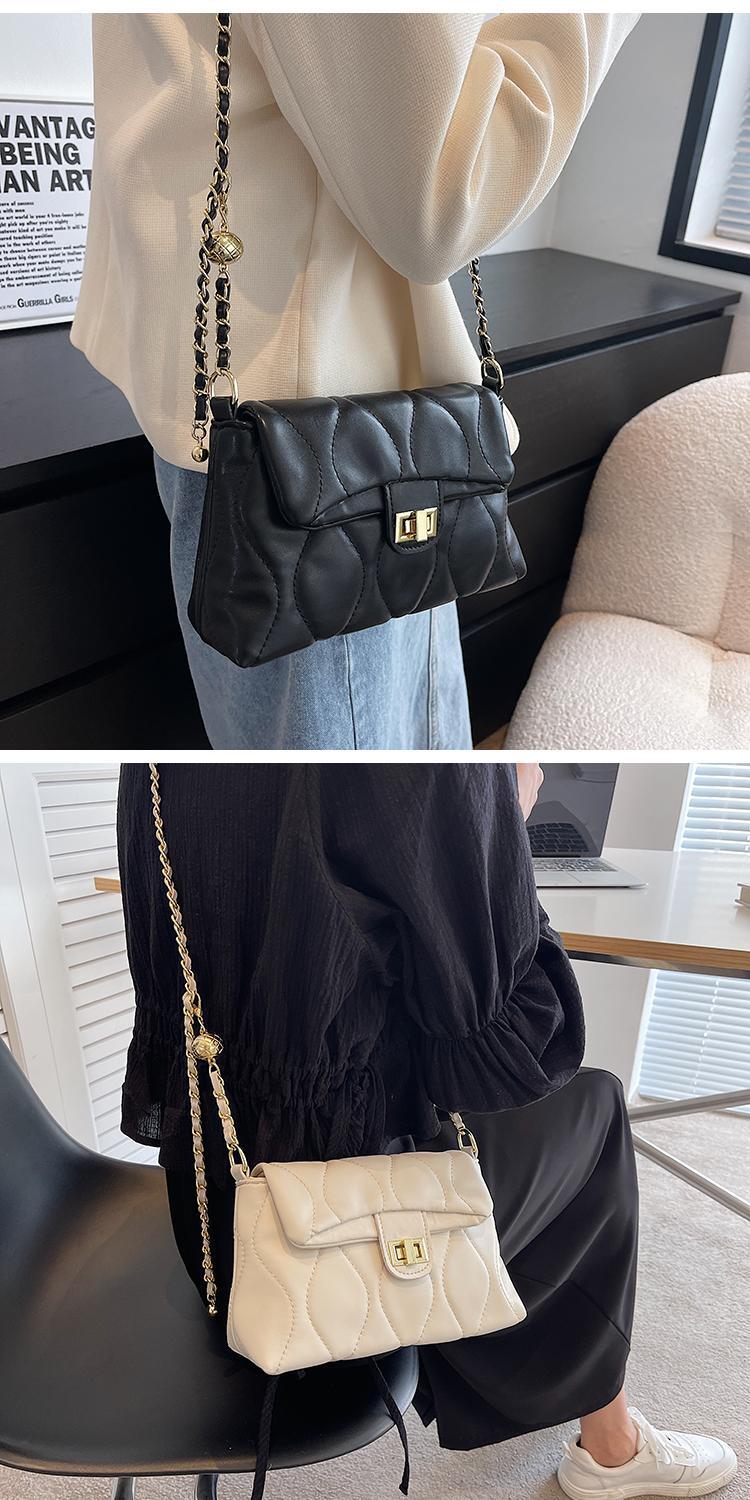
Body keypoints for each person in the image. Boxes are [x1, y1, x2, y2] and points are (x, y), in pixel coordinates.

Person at [116, 762, 737, 1498]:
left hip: (209, 1203)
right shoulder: (430, 756)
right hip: (314, 1245)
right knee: (594, 1108)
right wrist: (500, 818)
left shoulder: (151, 763)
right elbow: (509, 1055)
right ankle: (612, 1447)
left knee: (465, 1120)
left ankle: (486, 1346)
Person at [72, 14, 639, 751]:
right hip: (309, 413)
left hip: (287, 398)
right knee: (365, 796)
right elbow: (443, 192)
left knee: (369, 784)